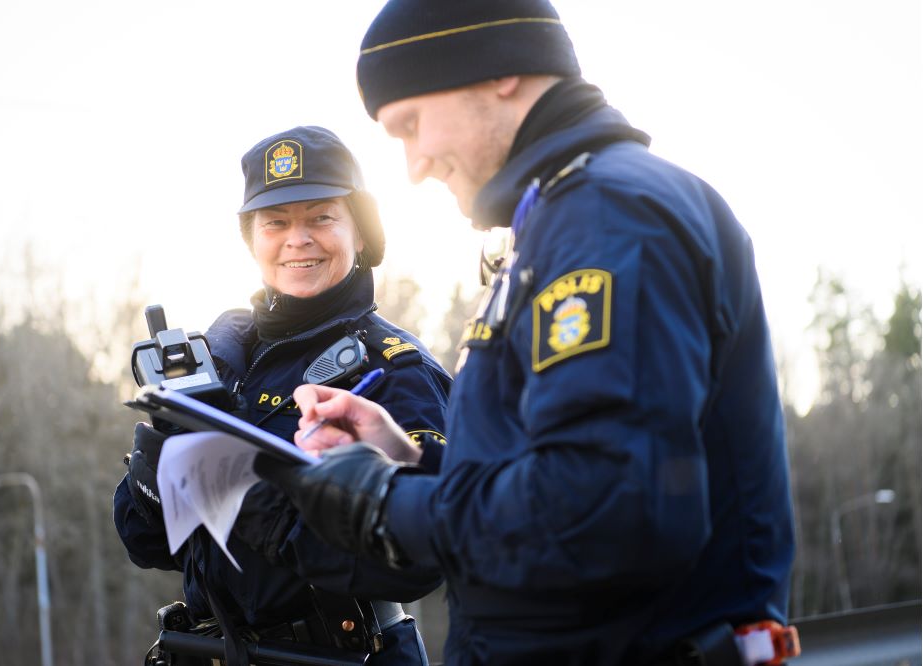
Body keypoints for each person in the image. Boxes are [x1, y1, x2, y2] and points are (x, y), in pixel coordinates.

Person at [251, 2, 797, 665]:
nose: (415, 165)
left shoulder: (608, 219)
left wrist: (385, 504)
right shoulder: (566, 215)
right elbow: (557, 469)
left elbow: (600, 512)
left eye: (411, 125)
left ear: (499, 72)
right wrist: (409, 460)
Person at [114, 125, 453, 665]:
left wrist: (256, 503)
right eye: (275, 222)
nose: (298, 238)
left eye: (321, 217)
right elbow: (148, 545)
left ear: (361, 233)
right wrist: (153, 480)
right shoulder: (220, 360)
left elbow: (423, 557)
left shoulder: (393, 370)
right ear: (252, 239)